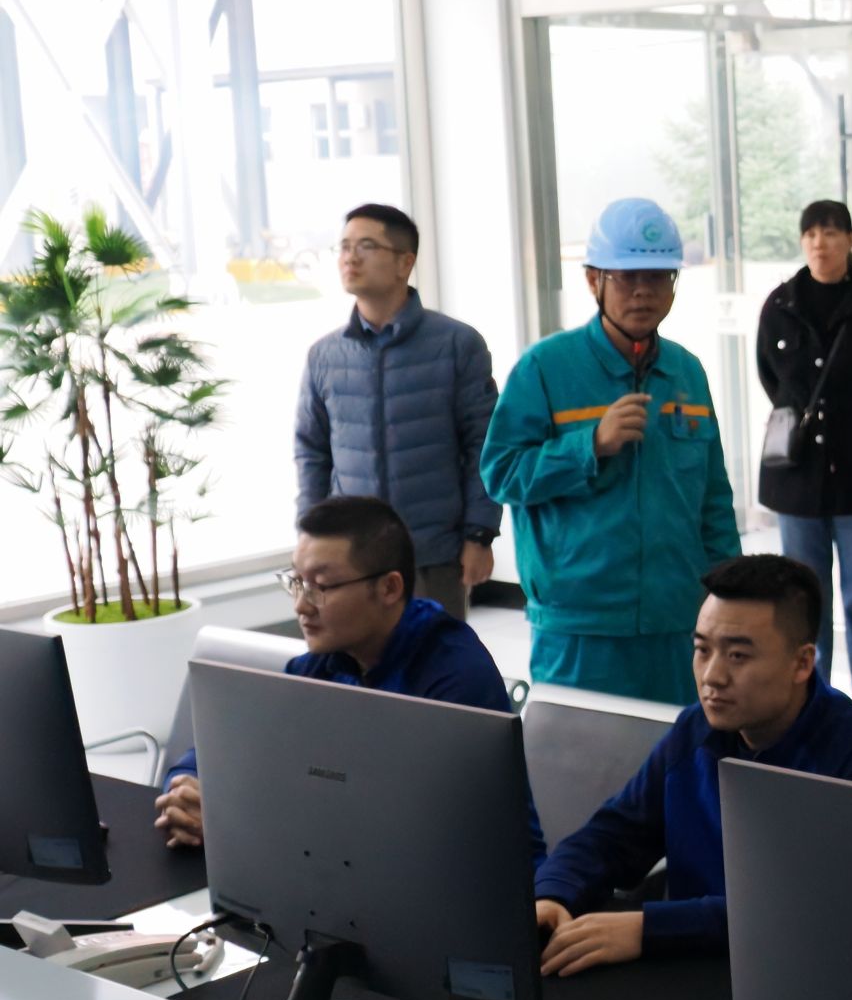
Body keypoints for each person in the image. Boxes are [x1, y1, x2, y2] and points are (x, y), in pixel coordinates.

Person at [533, 556, 852, 973]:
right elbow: (615, 833)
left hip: (802, 978)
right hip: (690, 971)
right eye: (702, 650)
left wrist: (650, 929)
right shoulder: (695, 729)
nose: (712, 676)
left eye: (738, 656)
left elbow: (821, 907)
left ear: (802, 663)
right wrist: (553, 893)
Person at [156, 496, 545, 868]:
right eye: (297, 581)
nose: (301, 605)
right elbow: (224, 748)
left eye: (321, 587)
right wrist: (188, 790)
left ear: (389, 588)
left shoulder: (454, 680)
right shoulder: (321, 665)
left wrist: (232, 815)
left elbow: (409, 828)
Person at [482, 198, 742, 706]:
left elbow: (713, 498)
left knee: (679, 751)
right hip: (580, 627)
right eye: (627, 278)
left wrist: (729, 594)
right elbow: (501, 473)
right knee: (583, 753)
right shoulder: (546, 368)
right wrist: (590, 445)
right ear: (593, 281)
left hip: (677, 622)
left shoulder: (686, 372)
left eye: (658, 277)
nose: (643, 292)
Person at [294, 204, 500, 621]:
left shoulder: (456, 344)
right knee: (352, 661)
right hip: (349, 560)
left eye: (366, 246)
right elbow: (311, 451)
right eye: (344, 246)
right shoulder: (325, 355)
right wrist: (309, 533)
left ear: (405, 263)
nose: (350, 257)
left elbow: (484, 446)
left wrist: (479, 535)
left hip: (433, 555)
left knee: (432, 658)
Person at [754, 200, 852, 724]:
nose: (821, 242)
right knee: (804, 590)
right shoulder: (780, 304)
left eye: (832, 232)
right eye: (812, 233)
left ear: (851, 240)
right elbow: (770, 376)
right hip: (798, 476)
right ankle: (810, 686)